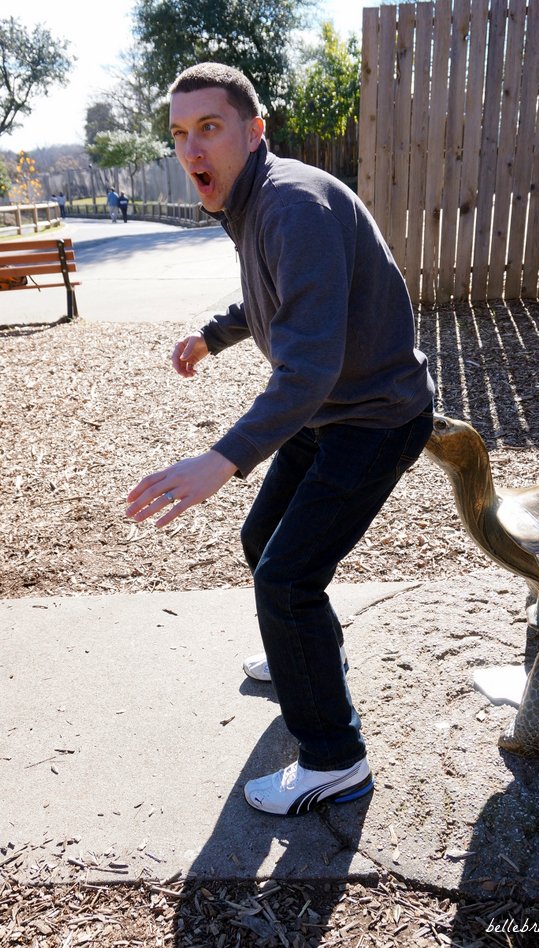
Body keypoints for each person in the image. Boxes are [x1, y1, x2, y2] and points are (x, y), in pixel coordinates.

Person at [126, 62, 435, 817]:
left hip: (373, 417)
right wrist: (214, 334)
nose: (192, 148)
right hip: (330, 411)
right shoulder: (257, 199)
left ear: (253, 131)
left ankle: (335, 759)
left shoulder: (291, 202)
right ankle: (309, 656)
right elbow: (276, 291)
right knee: (265, 541)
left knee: (286, 578)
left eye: (210, 128)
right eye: (179, 134)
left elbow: (309, 365)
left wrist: (222, 456)